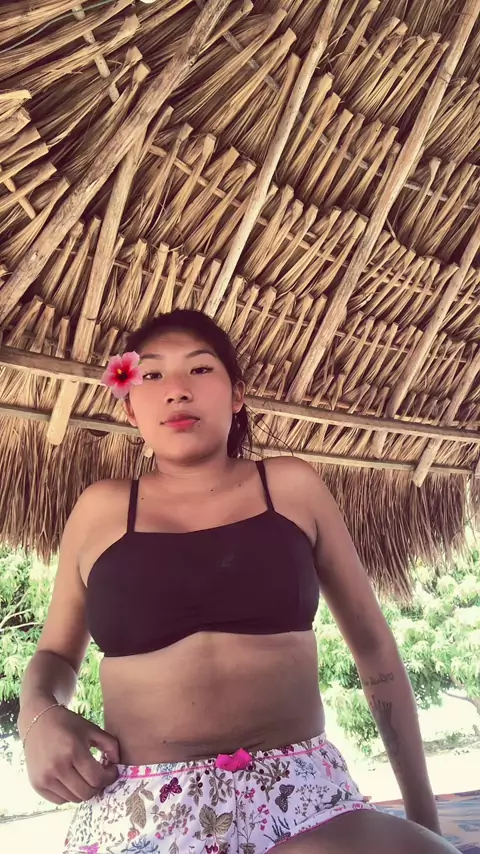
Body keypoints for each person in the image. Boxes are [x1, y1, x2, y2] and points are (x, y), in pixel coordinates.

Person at [18, 309, 458, 854]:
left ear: (237, 396)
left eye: (200, 369)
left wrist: (425, 820)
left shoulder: (291, 487)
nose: (177, 390)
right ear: (130, 406)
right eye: (151, 374)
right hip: (143, 809)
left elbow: (376, 652)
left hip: (304, 797)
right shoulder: (100, 510)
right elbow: (55, 657)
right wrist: (37, 715)